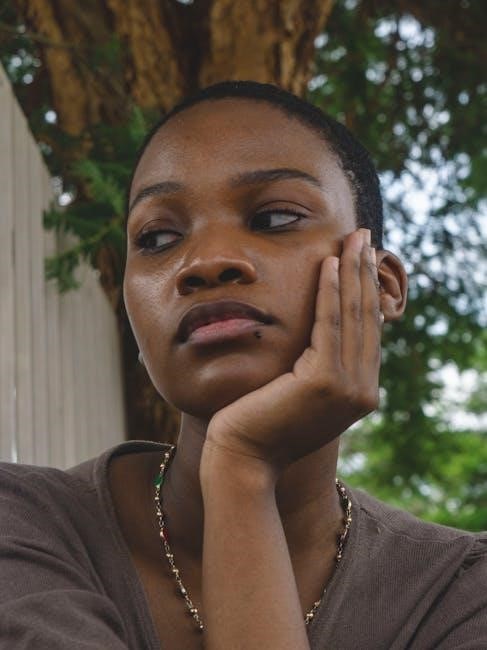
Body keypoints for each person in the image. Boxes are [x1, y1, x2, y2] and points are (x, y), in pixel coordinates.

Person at [0, 81, 485, 650]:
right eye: (158, 237)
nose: (205, 262)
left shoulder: (459, 592)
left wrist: (239, 466)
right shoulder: (24, 524)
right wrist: (242, 467)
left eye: (274, 218)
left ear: (381, 286)